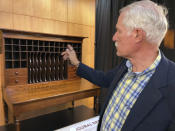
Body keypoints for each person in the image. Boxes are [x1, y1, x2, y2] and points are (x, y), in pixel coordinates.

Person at [61, 0, 175, 131]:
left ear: (138, 34)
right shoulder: (126, 65)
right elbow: (103, 79)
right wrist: (76, 63)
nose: (114, 37)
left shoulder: (171, 83)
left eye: (118, 31)